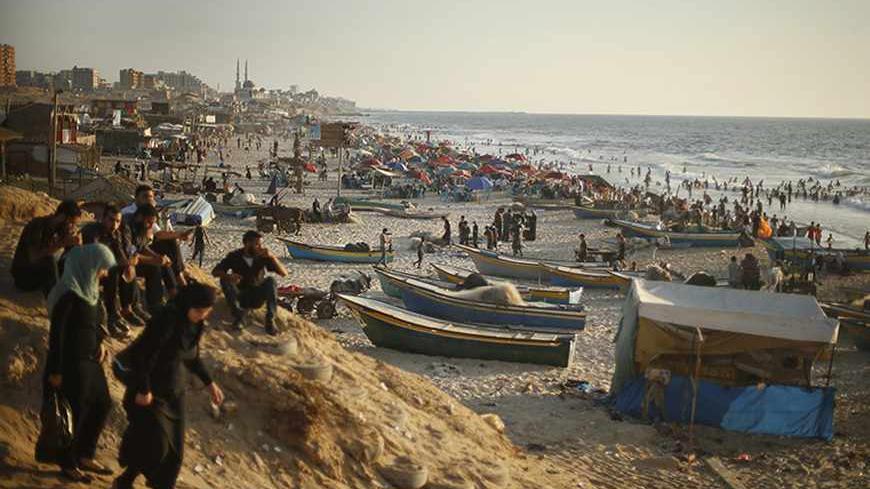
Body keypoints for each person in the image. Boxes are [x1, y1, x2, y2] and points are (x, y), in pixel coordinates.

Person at [115, 283, 224, 489]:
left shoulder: (196, 325)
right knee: (156, 445)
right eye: (199, 310)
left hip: (174, 391)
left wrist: (210, 384)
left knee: (175, 452)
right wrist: (144, 389)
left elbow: (192, 357)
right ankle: (125, 481)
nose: (202, 315)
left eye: (206, 311)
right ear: (188, 304)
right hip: (150, 389)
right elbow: (143, 356)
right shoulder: (167, 320)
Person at [44, 244, 117, 483]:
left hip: (91, 361)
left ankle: (86, 455)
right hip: (70, 363)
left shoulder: (91, 291)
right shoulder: (69, 295)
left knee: (102, 404)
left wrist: (101, 343)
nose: (105, 273)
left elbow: (95, 324)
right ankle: (68, 462)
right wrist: (55, 370)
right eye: (102, 268)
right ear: (89, 266)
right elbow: (57, 336)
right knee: (75, 412)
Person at [212, 231, 287, 334]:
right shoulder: (234, 256)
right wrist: (228, 276)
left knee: (271, 280)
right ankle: (239, 317)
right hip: (239, 295)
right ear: (247, 244)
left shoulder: (262, 257)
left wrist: (272, 257)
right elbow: (215, 271)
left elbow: (284, 273)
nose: (260, 247)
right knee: (225, 280)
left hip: (256, 296)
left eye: (260, 244)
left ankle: (270, 320)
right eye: (257, 244)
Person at [82, 205, 140, 338]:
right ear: (103, 218)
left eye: (118, 221)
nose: (114, 224)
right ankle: (110, 317)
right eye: (111, 220)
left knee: (124, 269)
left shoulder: (116, 234)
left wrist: (129, 263)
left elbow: (121, 255)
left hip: (102, 272)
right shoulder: (92, 231)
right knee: (113, 270)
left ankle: (120, 312)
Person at [12, 200, 83, 295]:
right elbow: (33, 257)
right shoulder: (37, 225)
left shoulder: (60, 228)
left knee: (70, 256)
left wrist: (77, 245)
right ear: (61, 217)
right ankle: (56, 300)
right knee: (49, 260)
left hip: (39, 273)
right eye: (71, 223)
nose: (72, 227)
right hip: (24, 277)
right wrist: (62, 243)